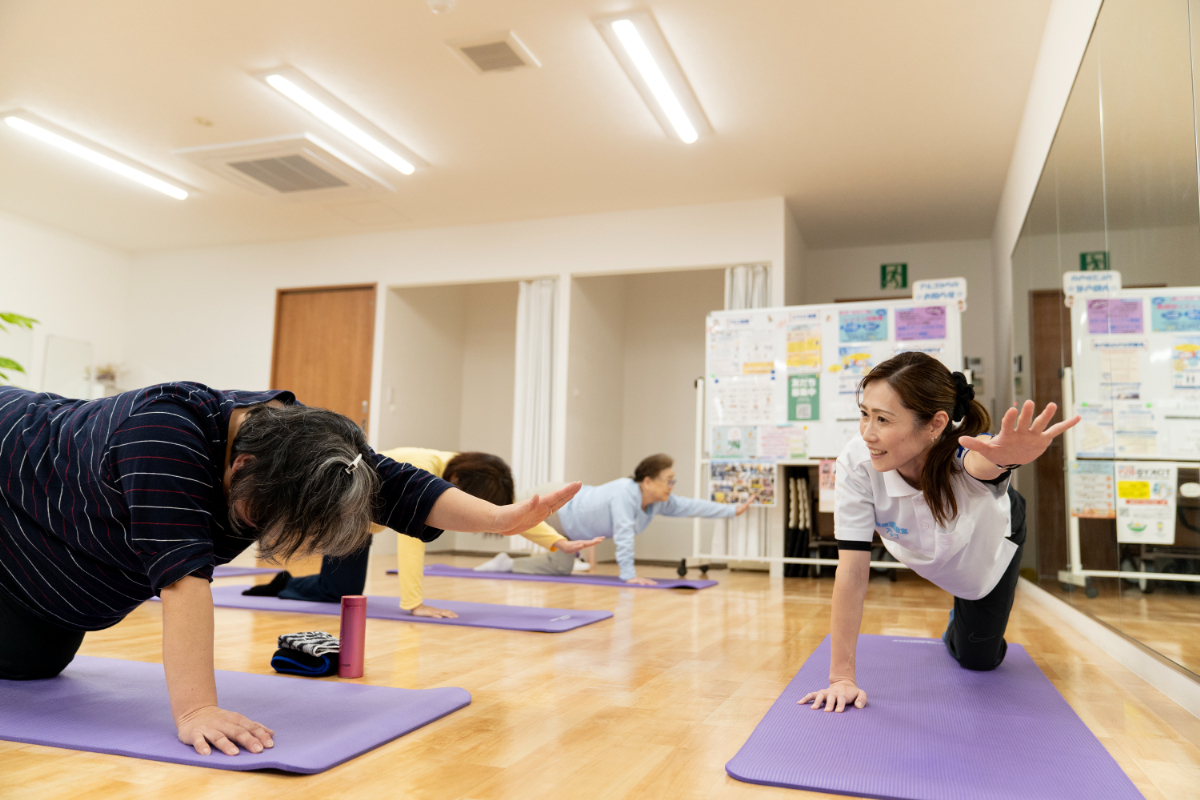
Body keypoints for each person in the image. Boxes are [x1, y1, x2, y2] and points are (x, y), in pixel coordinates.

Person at [0, 384, 578, 756]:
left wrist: (500, 520)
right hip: (13, 481)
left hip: (50, 570)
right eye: (263, 514)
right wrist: (197, 709)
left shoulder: (313, 442)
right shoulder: (164, 436)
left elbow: (395, 485)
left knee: (33, 665)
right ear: (243, 464)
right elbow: (182, 582)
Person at [799, 352, 1079, 713]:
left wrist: (1007, 457)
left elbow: (983, 462)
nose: (868, 433)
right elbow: (852, 572)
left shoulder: (965, 456)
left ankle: (961, 619)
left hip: (986, 544)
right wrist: (841, 679)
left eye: (883, 419)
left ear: (935, 424)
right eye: (864, 414)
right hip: (928, 549)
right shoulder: (857, 463)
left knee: (979, 658)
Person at [245, 448, 604, 618]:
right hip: (344, 520)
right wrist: (414, 603)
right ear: (460, 481)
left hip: (366, 521)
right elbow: (412, 536)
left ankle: (284, 583)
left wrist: (558, 541)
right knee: (337, 592)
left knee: (341, 592)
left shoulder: (463, 469)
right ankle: (284, 585)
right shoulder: (422, 469)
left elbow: (505, 513)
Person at [473, 453, 754, 585]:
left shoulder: (657, 502)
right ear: (647, 481)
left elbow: (694, 507)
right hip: (557, 502)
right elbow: (623, 533)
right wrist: (629, 576)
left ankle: (506, 563)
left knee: (559, 567)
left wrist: (732, 510)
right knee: (499, 506)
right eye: (668, 480)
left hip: (569, 528)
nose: (672, 486)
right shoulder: (625, 493)